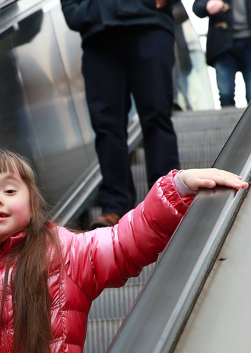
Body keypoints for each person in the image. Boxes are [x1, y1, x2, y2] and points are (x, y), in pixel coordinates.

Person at [0, 148, 247, 353]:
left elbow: (125, 242)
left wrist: (178, 188)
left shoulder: (63, 253)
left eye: (9, 189)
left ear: (32, 203)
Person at [60, 0, 182, 229]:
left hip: (149, 25)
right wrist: (84, 11)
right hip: (98, 33)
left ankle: (167, 196)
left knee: (156, 114)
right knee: (106, 125)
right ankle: (115, 205)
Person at [193, 0, 251, 106]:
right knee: (226, 93)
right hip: (222, 45)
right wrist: (207, 5)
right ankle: (229, 122)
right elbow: (197, 6)